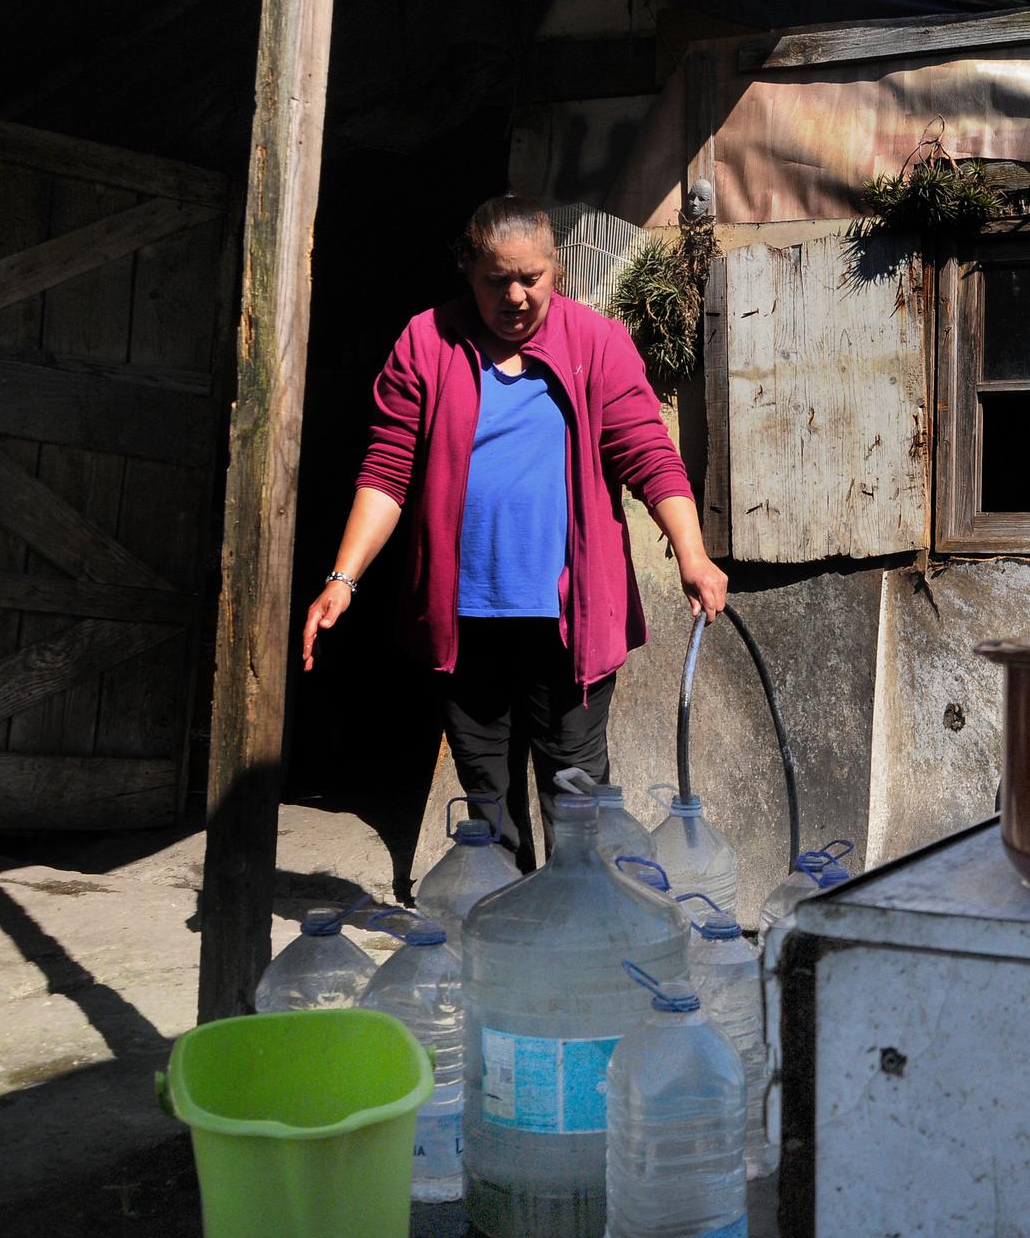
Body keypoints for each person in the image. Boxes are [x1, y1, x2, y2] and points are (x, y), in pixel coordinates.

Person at [301, 196, 727, 871]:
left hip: (569, 619)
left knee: (577, 796)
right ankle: (506, 936)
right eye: (497, 279)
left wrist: (694, 556)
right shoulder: (427, 342)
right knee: (488, 798)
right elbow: (387, 471)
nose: (516, 295)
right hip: (464, 618)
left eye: (532, 277)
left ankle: (579, 936)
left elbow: (649, 455)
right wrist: (342, 578)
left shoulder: (597, 343)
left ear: (556, 270)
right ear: (468, 272)